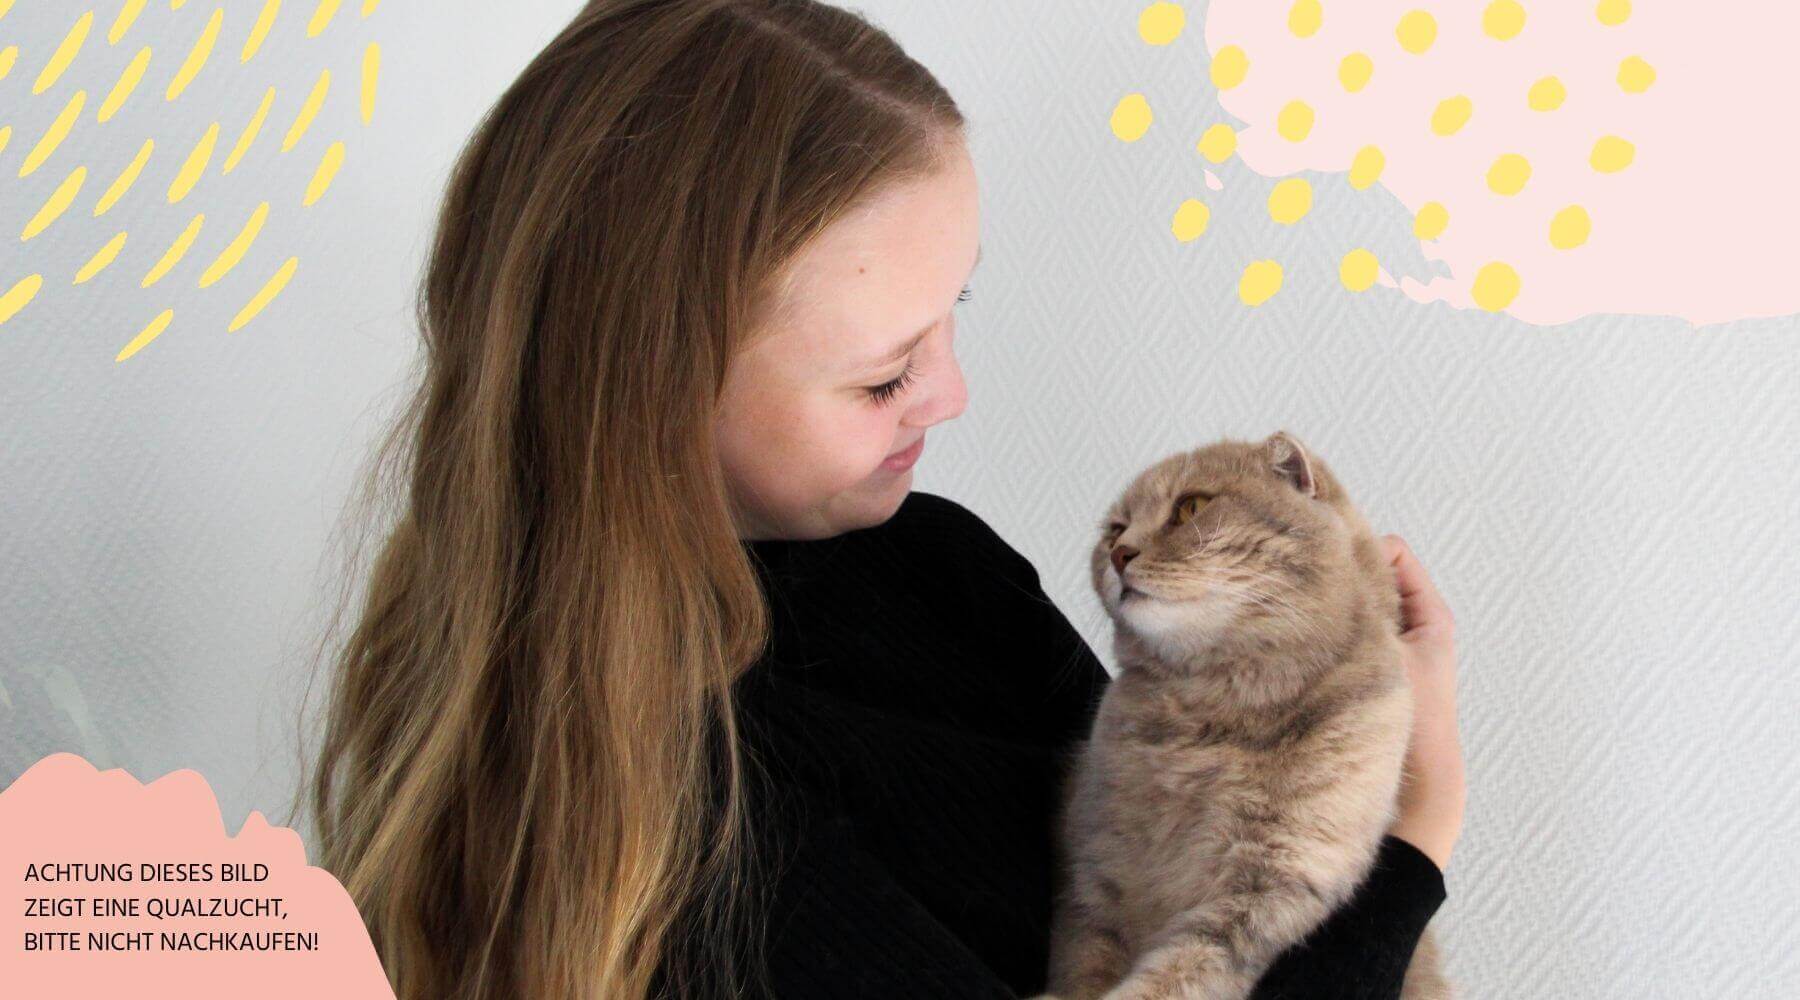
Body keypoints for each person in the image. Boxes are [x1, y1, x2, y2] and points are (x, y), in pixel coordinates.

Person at [297, 2, 1467, 998]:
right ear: (648, 393)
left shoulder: (940, 561)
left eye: (958, 305)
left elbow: (1185, 900)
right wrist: (1412, 832)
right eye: (883, 374)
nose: (950, 395)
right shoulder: (687, 822)